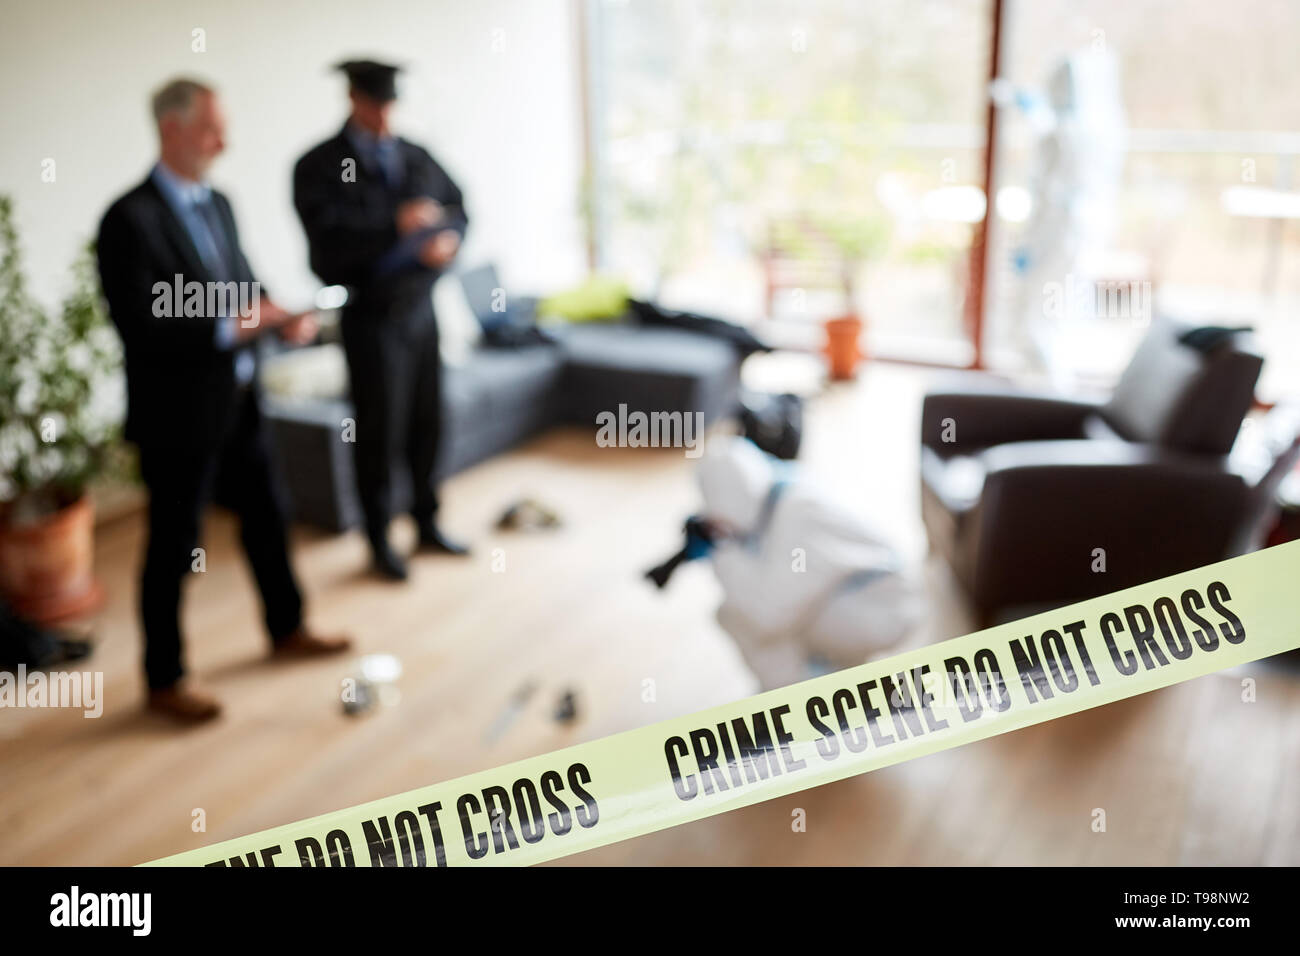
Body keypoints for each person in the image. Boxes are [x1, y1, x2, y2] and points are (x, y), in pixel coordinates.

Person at [97, 77, 351, 724]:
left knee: (269, 516)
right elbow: (140, 322)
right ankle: (165, 679)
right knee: (175, 545)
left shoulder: (220, 204)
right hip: (176, 415)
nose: (223, 141)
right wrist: (226, 325)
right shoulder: (128, 219)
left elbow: (244, 281)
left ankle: (288, 628)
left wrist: (278, 314)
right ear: (172, 129)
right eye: (212, 128)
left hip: (240, 398)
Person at [294, 59, 470, 581]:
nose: (385, 114)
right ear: (354, 99)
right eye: (376, 103)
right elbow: (325, 250)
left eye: (391, 104)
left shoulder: (414, 155)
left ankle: (427, 522)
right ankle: (378, 540)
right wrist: (393, 224)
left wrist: (447, 241)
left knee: (426, 422)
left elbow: (460, 207)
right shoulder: (321, 166)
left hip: (421, 312)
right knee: (378, 432)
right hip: (370, 318)